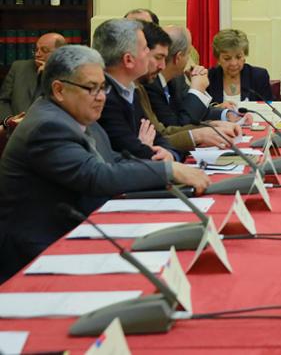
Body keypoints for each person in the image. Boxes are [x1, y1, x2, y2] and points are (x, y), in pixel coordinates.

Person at [0, 45, 210, 282]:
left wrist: (158, 164)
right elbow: (96, 176)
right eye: (91, 88)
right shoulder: (47, 126)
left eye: (103, 87)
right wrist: (168, 170)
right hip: (38, 253)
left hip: (79, 233)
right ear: (58, 89)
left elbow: (112, 159)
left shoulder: (77, 115)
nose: (101, 96)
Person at [93, 18, 182, 161]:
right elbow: (131, 151)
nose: (148, 52)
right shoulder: (104, 98)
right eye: (145, 48)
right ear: (128, 60)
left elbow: (157, 136)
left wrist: (170, 155)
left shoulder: (130, 90)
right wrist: (147, 149)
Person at [137, 22, 236, 149]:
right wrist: (197, 90)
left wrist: (225, 115)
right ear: (178, 57)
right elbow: (179, 124)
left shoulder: (177, 79)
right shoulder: (148, 84)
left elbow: (194, 113)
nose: (161, 65)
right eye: (188, 53)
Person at [0, 31, 65, 130]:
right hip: (15, 133)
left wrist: (48, 75)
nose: (37, 54)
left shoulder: (67, 75)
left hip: (49, 133)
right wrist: (8, 120)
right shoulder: (18, 67)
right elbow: (3, 100)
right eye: (36, 49)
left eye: (44, 50)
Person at [207, 29, 273, 104]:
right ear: (218, 59)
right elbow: (201, 112)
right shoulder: (209, 77)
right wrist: (217, 109)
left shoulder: (259, 76)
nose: (234, 63)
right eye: (227, 58)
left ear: (244, 56)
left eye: (238, 57)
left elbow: (268, 110)